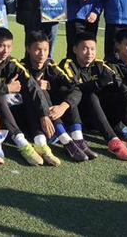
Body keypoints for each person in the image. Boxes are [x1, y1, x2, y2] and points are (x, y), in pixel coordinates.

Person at [0, 27, 56, 166]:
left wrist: (44, 114)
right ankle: (22, 144)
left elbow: (32, 86)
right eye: (1, 46)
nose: (5, 51)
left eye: (9, 46)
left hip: (5, 112)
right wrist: (6, 88)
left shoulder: (12, 63)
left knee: (30, 92)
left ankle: (41, 142)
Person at [57, 33, 127, 161]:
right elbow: (74, 89)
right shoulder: (67, 65)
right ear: (75, 49)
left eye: (93, 49)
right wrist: (97, 83)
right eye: (85, 48)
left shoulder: (100, 65)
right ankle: (112, 141)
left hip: (100, 115)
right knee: (90, 95)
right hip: (79, 117)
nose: (89, 53)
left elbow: (118, 83)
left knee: (120, 93)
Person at [20, 32, 94, 163]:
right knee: (38, 91)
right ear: (28, 49)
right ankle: (66, 141)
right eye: (37, 49)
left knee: (66, 91)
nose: (42, 54)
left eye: (45, 50)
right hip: (30, 117)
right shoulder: (21, 67)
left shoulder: (51, 66)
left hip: (52, 115)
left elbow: (75, 88)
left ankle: (78, 139)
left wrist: (62, 107)